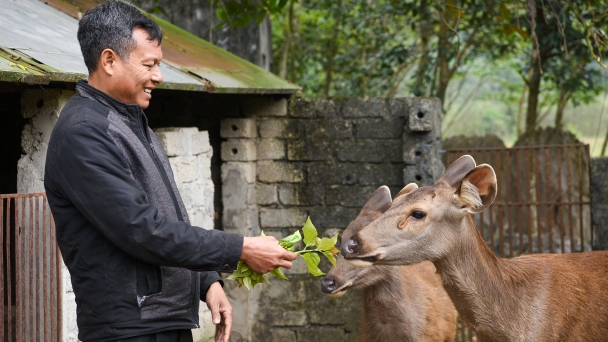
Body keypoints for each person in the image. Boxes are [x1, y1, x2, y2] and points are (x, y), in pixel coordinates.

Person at [43, 2, 297, 342]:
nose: (159, 76)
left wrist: (207, 281)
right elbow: (142, 230)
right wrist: (240, 248)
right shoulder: (84, 133)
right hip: (129, 328)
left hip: (164, 320)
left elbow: (167, 216)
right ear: (108, 60)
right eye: (150, 65)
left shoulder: (131, 121)